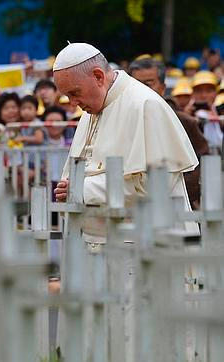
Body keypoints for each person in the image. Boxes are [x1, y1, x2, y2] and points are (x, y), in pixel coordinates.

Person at [52, 42, 198, 362]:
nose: (73, 104)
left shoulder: (144, 105)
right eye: (67, 97)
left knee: (139, 342)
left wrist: (83, 189)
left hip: (143, 249)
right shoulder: (94, 107)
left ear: (98, 76)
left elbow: (152, 182)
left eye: (75, 93)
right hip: (99, 247)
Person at [129, 57, 209, 208]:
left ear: (162, 87)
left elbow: (202, 166)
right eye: (135, 84)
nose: (141, 89)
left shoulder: (184, 122)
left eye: (148, 84)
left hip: (176, 206)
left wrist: (173, 192)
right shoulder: (122, 121)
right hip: (133, 207)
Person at [189, 71, 222, 154]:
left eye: (208, 91)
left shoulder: (221, 110)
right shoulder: (186, 113)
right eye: (199, 91)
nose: (204, 95)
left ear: (216, 92)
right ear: (192, 93)